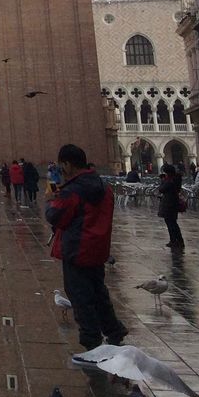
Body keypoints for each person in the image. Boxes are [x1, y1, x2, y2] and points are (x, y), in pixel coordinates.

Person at [45, 143, 127, 352]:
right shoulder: (104, 187)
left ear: (68, 164)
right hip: (98, 249)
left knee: (80, 297)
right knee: (99, 293)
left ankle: (92, 343)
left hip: (77, 249)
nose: (62, 170)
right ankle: (114, 331)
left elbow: (56, 217)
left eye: (62, 165)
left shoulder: (73, 191)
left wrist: (51, 202)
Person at [159, 163, 186, 250]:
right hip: (173, 204)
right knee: (173, 223)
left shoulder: (170, 181)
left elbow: (161, 189)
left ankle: (175, 241)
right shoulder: (176, 180)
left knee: (171, 224)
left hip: (169, 204)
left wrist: (163, 180)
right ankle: (177, 240)